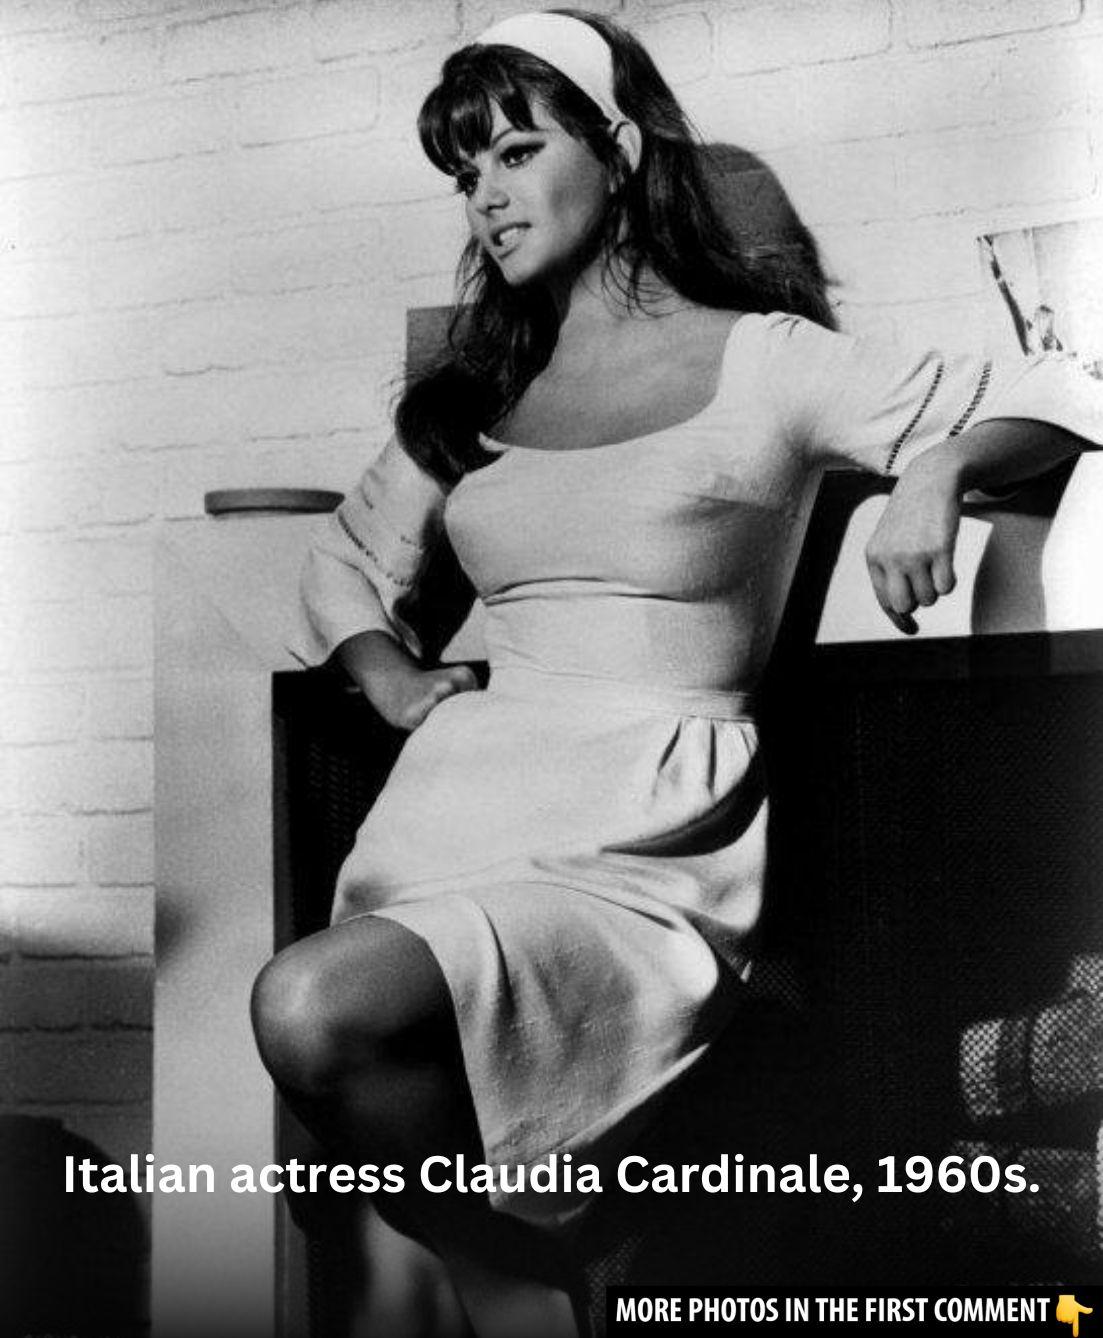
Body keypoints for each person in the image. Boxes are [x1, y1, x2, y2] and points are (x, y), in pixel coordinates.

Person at [251, 10, 1103, 1335]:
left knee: (310, 1004)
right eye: (466, 174)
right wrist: (388, 673)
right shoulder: (481, 394)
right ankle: (528, 1270)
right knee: (331, 1039)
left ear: (622, 150)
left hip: (647, 835)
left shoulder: (767, 360)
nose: (486, 197)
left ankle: (533, 1263)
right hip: (460, 808)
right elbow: (344, 563)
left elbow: (1060, 390)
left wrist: (936, 468)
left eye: (518, 152)